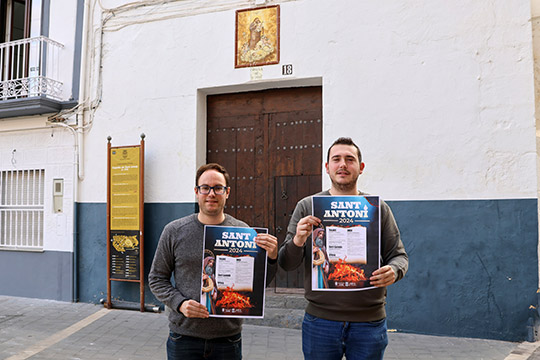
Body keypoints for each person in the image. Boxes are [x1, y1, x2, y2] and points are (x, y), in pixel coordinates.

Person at [278, 137, 408, 360]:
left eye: (350, 159)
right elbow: (286, 263)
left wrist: (394, 271)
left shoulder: (377, 208)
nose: (343, 165)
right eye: (336, 159)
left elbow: (398, 256)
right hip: (320, 322)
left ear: (361, 167)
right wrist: (298, 240)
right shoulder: (308, 206)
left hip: (369, 322)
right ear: (327, 167)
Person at [149, 163, 278, 360]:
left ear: (227, 193)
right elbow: (157, 279)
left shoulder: (244, 233)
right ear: (196, 192)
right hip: (184, 337)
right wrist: (180, 303)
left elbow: (258, 285)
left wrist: (271, 257)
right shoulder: (174, 231)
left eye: (218, 188)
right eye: (205, 188)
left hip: (227, 339)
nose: (211, 193)